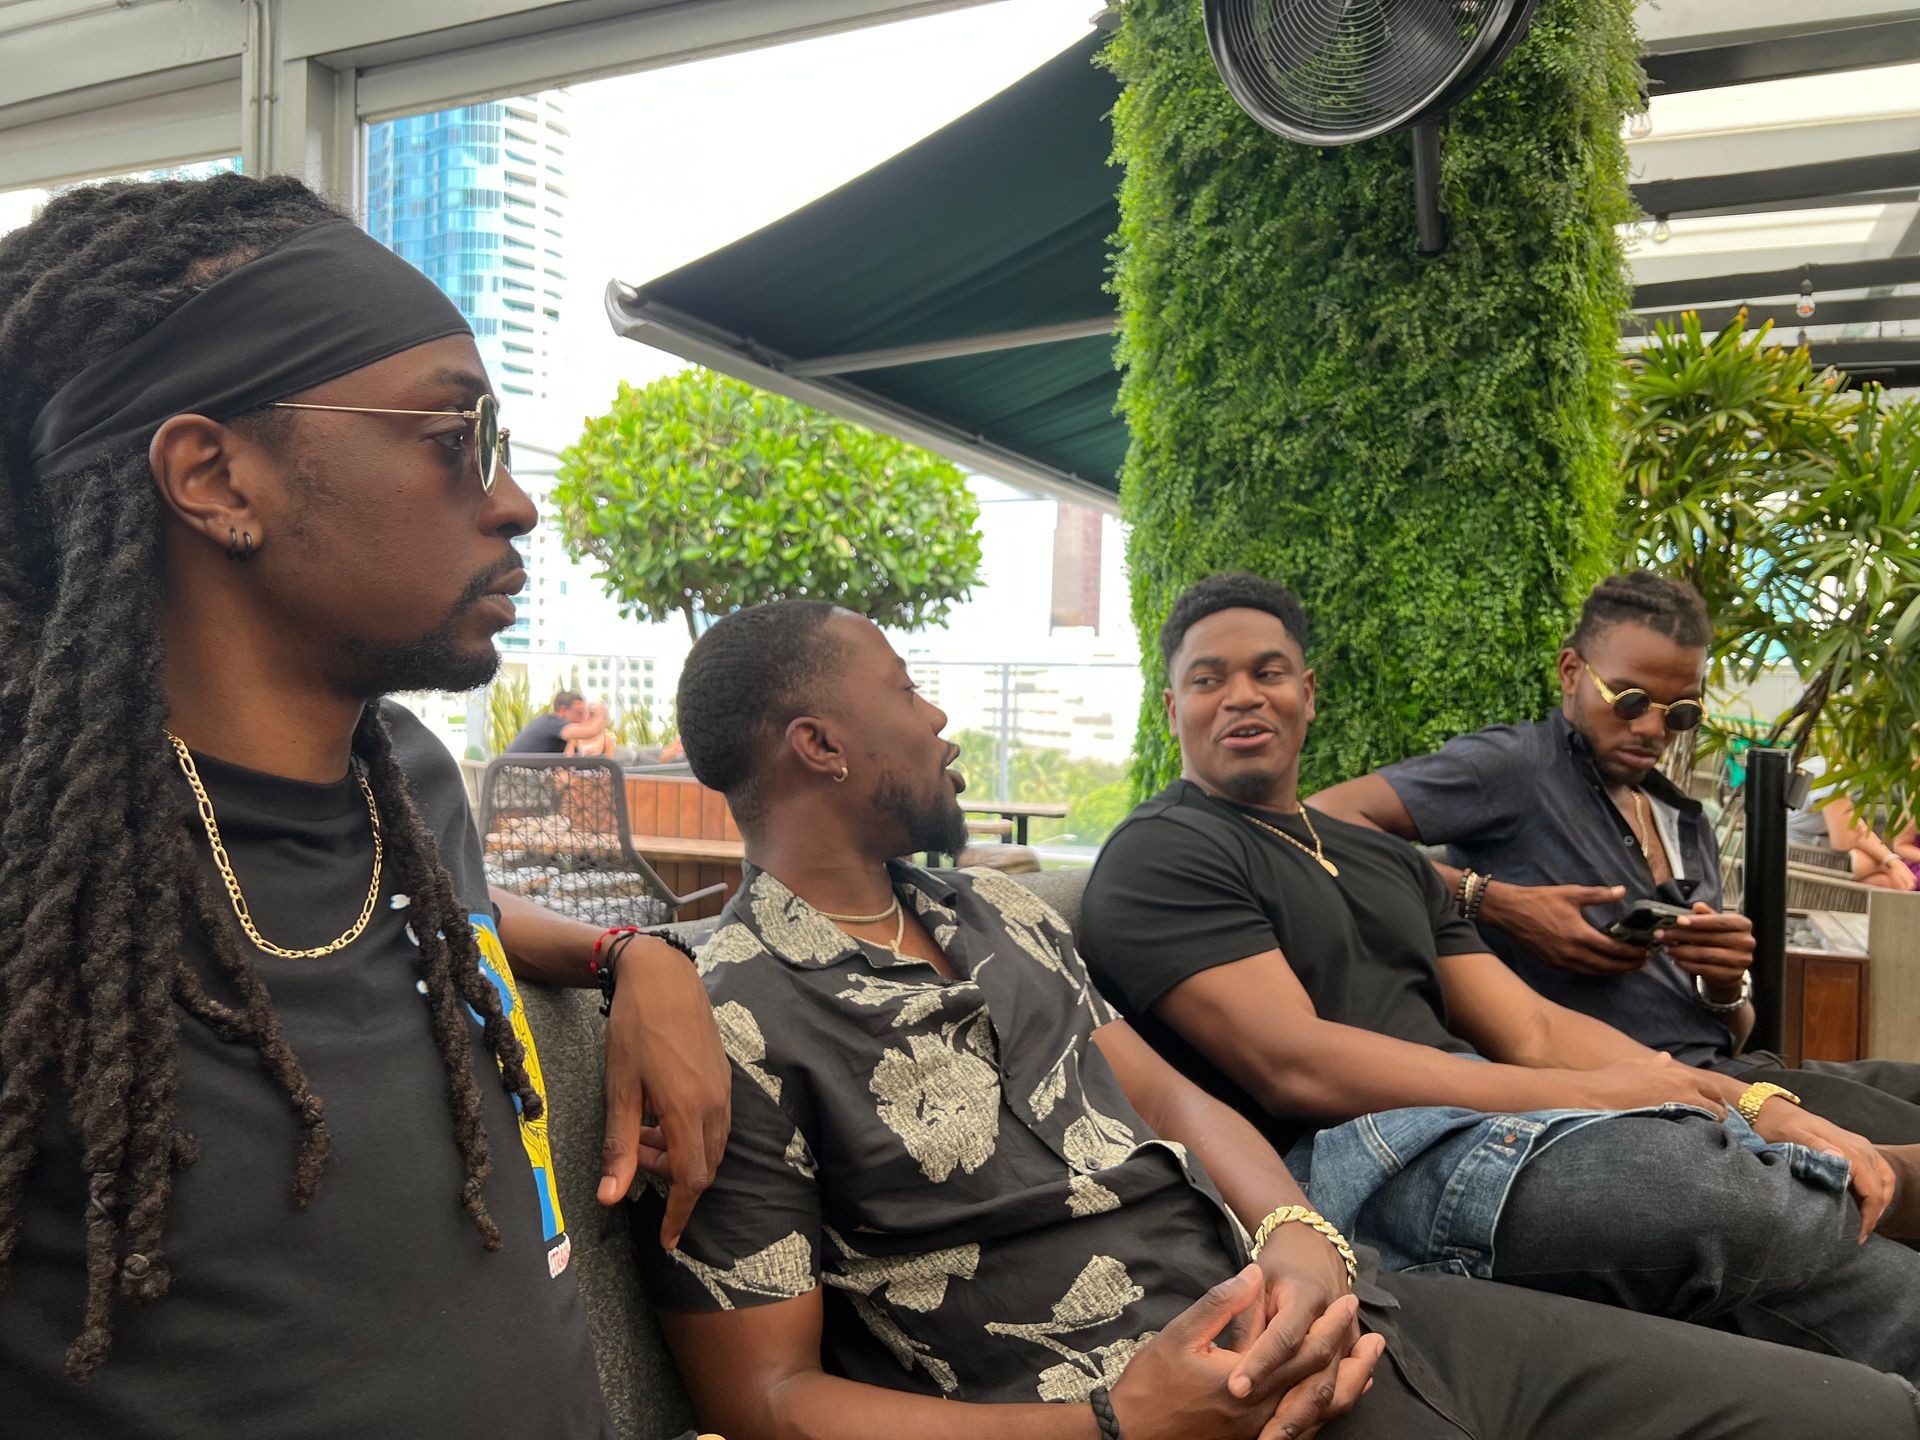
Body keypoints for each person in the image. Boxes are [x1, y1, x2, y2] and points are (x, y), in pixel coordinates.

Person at [625, 598, 1920, 1440]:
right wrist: (1123, 1422)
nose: (941, 715)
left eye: (1272, 670)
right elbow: (763, 1396)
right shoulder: (724, 1018)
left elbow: (1181, 1101)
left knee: (1862, 1414)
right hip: (1187, 1405)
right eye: (908, 688)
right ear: (820, 745)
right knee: (1725, 1198)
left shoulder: (994, 914)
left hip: (1355, 1310)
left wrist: (1302, 1240)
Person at [0, 173, 727, 1436]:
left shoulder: (408, 786)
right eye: (456, 437)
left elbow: (457, 913)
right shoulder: (35, 858)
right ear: (215, 478)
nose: (514, 500)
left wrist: (633, 953)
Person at [1077, 572, 1920, 1383]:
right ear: (1171, 706)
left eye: (1268, 673)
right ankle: (1899, 1178)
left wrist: (1739, 1097)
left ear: (1308, 690)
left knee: (1879, 1287)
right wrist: (1596, 1094)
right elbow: (1296, 1062)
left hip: (1497, 1126)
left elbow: (1533, 1027)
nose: (1243, 696)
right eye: (1208, 678)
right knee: (1705, 1180)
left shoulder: (1383, 860)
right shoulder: (1162, 852)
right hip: (1363, 1162)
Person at [1314, 571, 1920, 1144]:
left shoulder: (1683, 819)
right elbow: (1321, 820)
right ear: (1571, 671)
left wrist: (1724, 982)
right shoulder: (1516, 768)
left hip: (1736, 1076)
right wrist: (1491, 900)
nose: (1654, 728)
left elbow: (1733, 1031)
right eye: (1630, 700)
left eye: (1681, 711)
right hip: (1645, 1106)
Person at [1792, 759, 1918, 890]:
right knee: (1889, 877)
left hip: (1813, 854)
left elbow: (1857, 828)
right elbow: (1843, 842)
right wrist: (1888, 864)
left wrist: (1891, 861)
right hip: (1796, 861)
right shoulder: (1830, 772)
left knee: (1884, 881)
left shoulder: (1828, 766)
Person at [510, 688, 602, 754]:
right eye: (579, 713)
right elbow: (591, 731)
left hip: (524, 776)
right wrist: (602, 712)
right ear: (563, 711)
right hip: (517, 777)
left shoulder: (558, 732)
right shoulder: (551, 723)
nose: (582, 719)